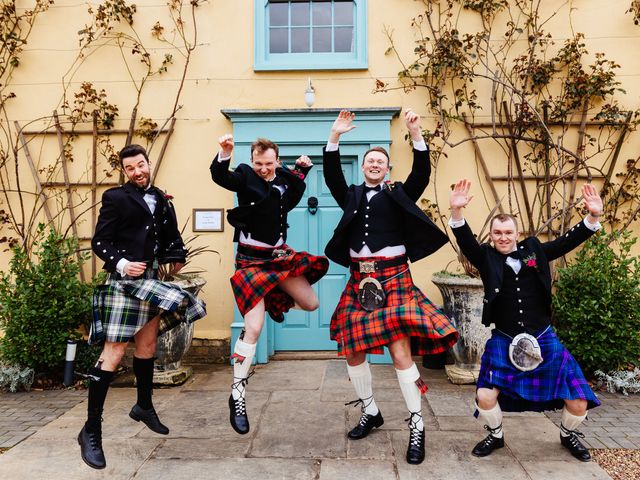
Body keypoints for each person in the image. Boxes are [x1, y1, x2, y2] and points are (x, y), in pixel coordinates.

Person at [323, 109, 458, 465]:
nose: (375, 164)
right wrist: (335, 136)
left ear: (387, 169)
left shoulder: (400, 194)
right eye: (370, 160)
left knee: (400, 354)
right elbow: (332, 174)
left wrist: (416, 134)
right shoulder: (350, 195)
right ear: (364, 167)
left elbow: (422, 174)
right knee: (352, 350)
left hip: (394, 278)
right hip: (359, 279)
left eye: (381, 161)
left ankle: (417, 425)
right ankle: (370, 411)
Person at [448, 179, 602, 462]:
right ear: (492, 236)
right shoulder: (486, 258)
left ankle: (568, 434)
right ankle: (495, 435)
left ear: (518, 234)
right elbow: (466, 241)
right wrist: (457, 213)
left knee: (579, 402)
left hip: (544, 337)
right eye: (498, 233)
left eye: (508, 232)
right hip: (504, 338)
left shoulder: (535, 252)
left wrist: (592, 216)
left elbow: (567, 241)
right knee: (484, 396)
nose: (503, 237)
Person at [80, 144, 206, 469]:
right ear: (124, 172)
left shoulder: (162, 200)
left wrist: (175, 258)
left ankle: (144, 406)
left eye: (141, 165)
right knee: (114, 353)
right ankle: (90, 430)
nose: (138, 171)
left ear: (148, 164)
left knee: (148, 347)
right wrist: (122, 263)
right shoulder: (115, 198)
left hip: (150, 281)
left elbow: (171, 237)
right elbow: (99, 242)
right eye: (131, 168)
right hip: (124, 283)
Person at [211, 134, 329, 435]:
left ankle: (272, 296)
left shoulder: (284, 180)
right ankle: (237, 393)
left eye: (268, 163)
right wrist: (224, 153)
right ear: (252, 161)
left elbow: (296, 190)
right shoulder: (244, 176)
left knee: (311, 303)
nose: (263, 168)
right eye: (258, 163)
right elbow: (220, 177)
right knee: (254, 328)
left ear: (277, 160)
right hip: (251, 262)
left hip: (278, 259)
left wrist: (300, 169)